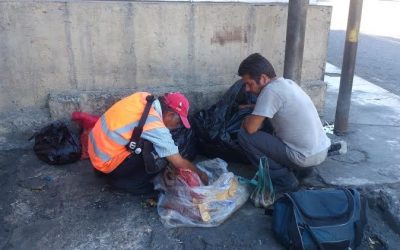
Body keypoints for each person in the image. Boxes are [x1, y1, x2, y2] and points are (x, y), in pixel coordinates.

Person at [237, 53, 331, 192]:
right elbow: (278, 107)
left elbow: (251, 128)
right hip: (320, 151)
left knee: (244, 135)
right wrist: (252, 107)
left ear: (263, 78)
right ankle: (303, 172)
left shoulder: (270, 91)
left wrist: (247, 119)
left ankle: (283, 180)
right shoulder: (287, 83)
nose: (247, 89)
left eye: (249, 84)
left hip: (303, 157)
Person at [88, 91, 208, 194]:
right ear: (170, 114)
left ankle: (107, 172)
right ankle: (123, 182)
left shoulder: (143, 97)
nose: (178, 126)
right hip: (106, 163)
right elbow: (178, 161)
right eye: (179, 121)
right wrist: (200, 174)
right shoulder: (154, 125)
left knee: (150, 143)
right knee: (156, 156)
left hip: (96, 151)